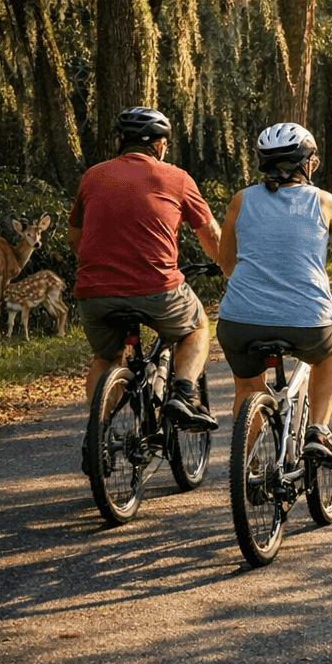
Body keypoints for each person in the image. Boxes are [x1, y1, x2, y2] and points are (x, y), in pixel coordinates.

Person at [215, 123, 332, 467]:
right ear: (306, 164)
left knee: (248, 389)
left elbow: (227, 264)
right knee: (330, 352)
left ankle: (246, 469)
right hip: (307, 322)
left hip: (239, 321)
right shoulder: (323, 201)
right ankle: (318, 431)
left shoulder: (241, 200)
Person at [69, 107, 224, 446]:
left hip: (93, 294)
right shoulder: (177, 177)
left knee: (105, 358)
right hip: (158, 289)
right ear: (161, 145)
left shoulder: (92, 176)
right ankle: (183, 394)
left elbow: (74, 238)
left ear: (118, 142)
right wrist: (229, 268)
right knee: (197, 325)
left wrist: (100, 270)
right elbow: (212, 237)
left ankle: (98, 437)